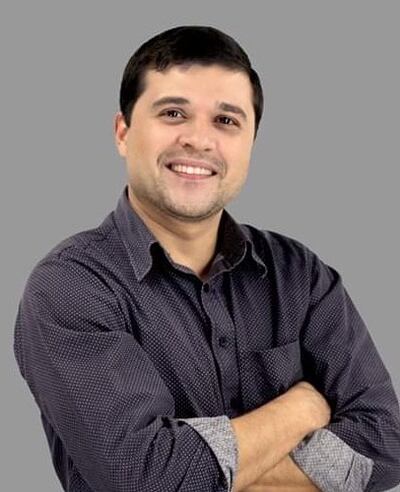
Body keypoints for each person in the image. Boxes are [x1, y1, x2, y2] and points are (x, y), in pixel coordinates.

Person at [13, 25, 400, 492]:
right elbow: (142, 478)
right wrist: (300, 409)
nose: (199, 140)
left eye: (226, 120)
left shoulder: (301, 276)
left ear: (251, 142)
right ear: (123, 132)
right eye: (173, 113)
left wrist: (202, 470)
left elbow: (386, 444)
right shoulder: (71, 287)